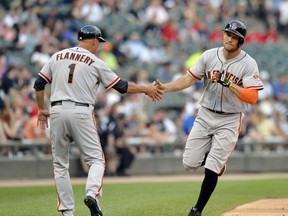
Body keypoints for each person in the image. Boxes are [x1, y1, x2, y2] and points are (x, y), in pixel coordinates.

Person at [33, 25, 163, 216]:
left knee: (60, 165)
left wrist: (42, 109)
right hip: (81, 111)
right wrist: (146, 89)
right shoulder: (95, 61)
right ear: (94, 41)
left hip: (57, 111)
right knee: (96, 160)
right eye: (99, 42)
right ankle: (92, 194)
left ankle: (67, 212)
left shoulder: (57, 56)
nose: (99, 46)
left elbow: (39, 83)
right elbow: (121, 86)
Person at [155, 20, 264, 216]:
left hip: (230, 118)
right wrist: (166, 86)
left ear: (241, 41)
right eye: (227, 34)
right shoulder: (208, 55)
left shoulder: (248, 63)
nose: (229, 39)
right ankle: (216, 160)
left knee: (212, 166)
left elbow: (253, 97)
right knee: (189, 163)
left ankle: (197, 209)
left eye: (234, 37)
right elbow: (188, 79)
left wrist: (229, 84)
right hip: (205, 114)